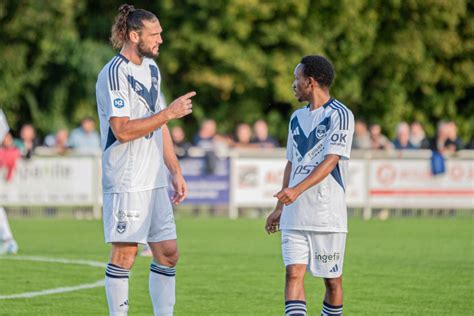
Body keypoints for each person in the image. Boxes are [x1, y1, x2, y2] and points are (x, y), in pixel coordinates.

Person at [95, 4, 195, 315]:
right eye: (155, 34)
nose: (161, 40)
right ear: (134, 35)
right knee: (125, 255)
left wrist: (175, 171)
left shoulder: (151, 70)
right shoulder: (113, 74)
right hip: (127, 180)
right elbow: (122, 130)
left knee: (167, 253)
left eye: (161, 34)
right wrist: (169, 113)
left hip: (153, 181)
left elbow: (160, 124)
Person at [266, 55, 354, 316]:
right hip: (295, 213)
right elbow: (291, 164)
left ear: (311, 82)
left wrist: (296, 191)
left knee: (332, 280)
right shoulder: (296, 118)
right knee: (293, 273)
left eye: (297, 78)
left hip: (327, 214)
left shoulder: (341, 115)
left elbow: (330, 162)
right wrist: (280, 207)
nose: (294, 84)